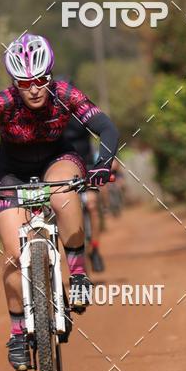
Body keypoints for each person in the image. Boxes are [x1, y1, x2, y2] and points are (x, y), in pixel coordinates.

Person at [0, 34, 118, 371]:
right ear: (14, 83)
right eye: (25, 83)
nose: (35, 89)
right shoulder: (3, 102)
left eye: (40, 80)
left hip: (58, 160)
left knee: (62, 192)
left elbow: (105, 126)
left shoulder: (65, 94)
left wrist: (102, 164)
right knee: (13, 254)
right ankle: (17, 332)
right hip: (11, 172)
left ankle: (78, 274)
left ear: (50, 76)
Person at [60, 94, 106, 272]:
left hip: (86, 166)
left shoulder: (82, 114)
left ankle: (95, 248)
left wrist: (103, 163)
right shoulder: (51, 117)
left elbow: (101, 135)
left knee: (92, 205)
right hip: (61, 170)